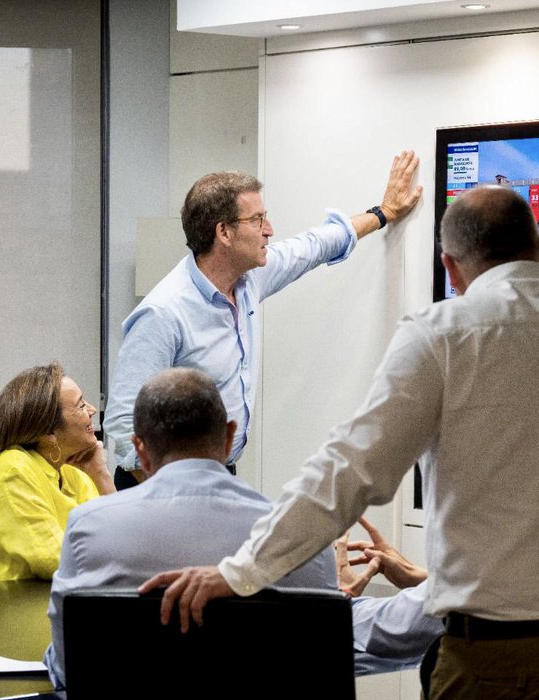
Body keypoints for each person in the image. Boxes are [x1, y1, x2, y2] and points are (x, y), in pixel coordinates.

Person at [142, 186, 539, 700]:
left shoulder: (441, 336)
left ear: (450, 268)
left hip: (503, 665)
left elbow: (347, 473)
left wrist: (240, 572)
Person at [45, 368, 441, 686]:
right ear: (230, 435)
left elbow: (66, 669)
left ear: (141, 450)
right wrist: (334, 604)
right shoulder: (303, 541)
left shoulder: (89, 528)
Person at [104, 152, 423, 488]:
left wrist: (383, 213)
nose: (269, 231)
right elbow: (125, 425)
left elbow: (314, 245)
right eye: (257, 220)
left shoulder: (248, 279)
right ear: (224, 232)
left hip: (216, 475)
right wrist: (168, 494)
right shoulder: (164, 312)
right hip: (158, 485)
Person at [0, 362, 115, 585]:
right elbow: (59, 561)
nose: (92, 409)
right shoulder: (12, 470)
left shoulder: (73, 472)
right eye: (80, 405)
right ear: (49, 432)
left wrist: (100, 474)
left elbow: (119, 540)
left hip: (44, 598)